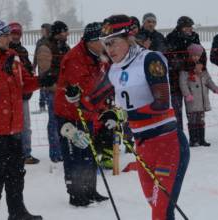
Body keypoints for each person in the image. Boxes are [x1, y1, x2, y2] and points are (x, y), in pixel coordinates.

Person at [67, 15, 189, 219]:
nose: (109, 49)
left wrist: (122, 114)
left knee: (161, 212)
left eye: (113, 42)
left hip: (168, 145)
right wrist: (76, 97)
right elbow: (94, 99)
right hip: (143, 149)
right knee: (156, 206)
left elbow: (161, 103)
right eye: (106, 44)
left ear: (129, 38)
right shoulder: (113, 69)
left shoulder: (150, 59)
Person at [0, 19, 53, 220]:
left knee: (16, 171)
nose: (10, 38)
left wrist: (41, 81)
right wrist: (0, 73)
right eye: (5, 35)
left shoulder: (12, 56)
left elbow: (22, 84)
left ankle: (17, 211)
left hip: (14, 126)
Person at [55, 22, 109, 206]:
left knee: (90, 153)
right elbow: (87, 89)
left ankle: (90, 189)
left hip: (89, 113)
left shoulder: (99, 55)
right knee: (74, 155)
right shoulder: (74, 58)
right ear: (90, 41)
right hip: (70, 114)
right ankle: (76, 193)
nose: (105, 44)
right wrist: (106, 89)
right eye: (102, 40)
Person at [36, 21, 70, 162]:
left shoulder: (65, 47)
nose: (66, 34)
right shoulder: (46, 47)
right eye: (64, 31)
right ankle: (55, 152)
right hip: (53, 91)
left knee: (66, 121)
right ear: (57, 33)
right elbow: (45, 71)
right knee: (54, 122)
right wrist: (56, 85)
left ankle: (65, 149)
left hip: (65, 91)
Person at [166, 16, 206, 131]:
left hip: (192, 80)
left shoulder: (195, 36)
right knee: (177, 110)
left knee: (194, 109)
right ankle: (179, 136)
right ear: (180, 27)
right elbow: (169, 58)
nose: (190, 29)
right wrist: (186, 64)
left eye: (191, 26)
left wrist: (201, 65)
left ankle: (196, 136)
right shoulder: (171, 37)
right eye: (187, 26)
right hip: (175, 80)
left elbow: (202, 54)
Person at [9, 22, 40, 165]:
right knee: (13, 125)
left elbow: (26, 69)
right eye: (13, 33)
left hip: (23, 94)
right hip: (10, 96)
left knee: (25, 125)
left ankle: (26, 153)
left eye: (18, 33)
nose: (15, 36)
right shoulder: (6, 51)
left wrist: (31, 74)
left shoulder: (22, 50)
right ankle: (15, 154)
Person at [180, 44, 218, 147]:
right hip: (192, 99)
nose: (195, 57)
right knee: (192, 120)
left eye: (197, 55)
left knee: (201, 119)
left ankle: (201, 139)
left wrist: (214, 88)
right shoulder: (185, 68)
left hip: (202, 99)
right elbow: (183, 83)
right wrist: (187, 94)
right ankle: (193, 140)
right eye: (193, 55)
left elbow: (208, 80)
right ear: (189, 55)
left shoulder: (202, 67)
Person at [34, 23, 52, 112]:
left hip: (50, 69)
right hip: (41, 69)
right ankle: (42, 105)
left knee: (49, 87)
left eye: (43, 30)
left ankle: (49, 104)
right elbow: (35, 55)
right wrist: (33, 66)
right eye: (41, 30)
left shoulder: (52, 41)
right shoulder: (39, 42)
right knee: (42, 86)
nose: (41, 32)